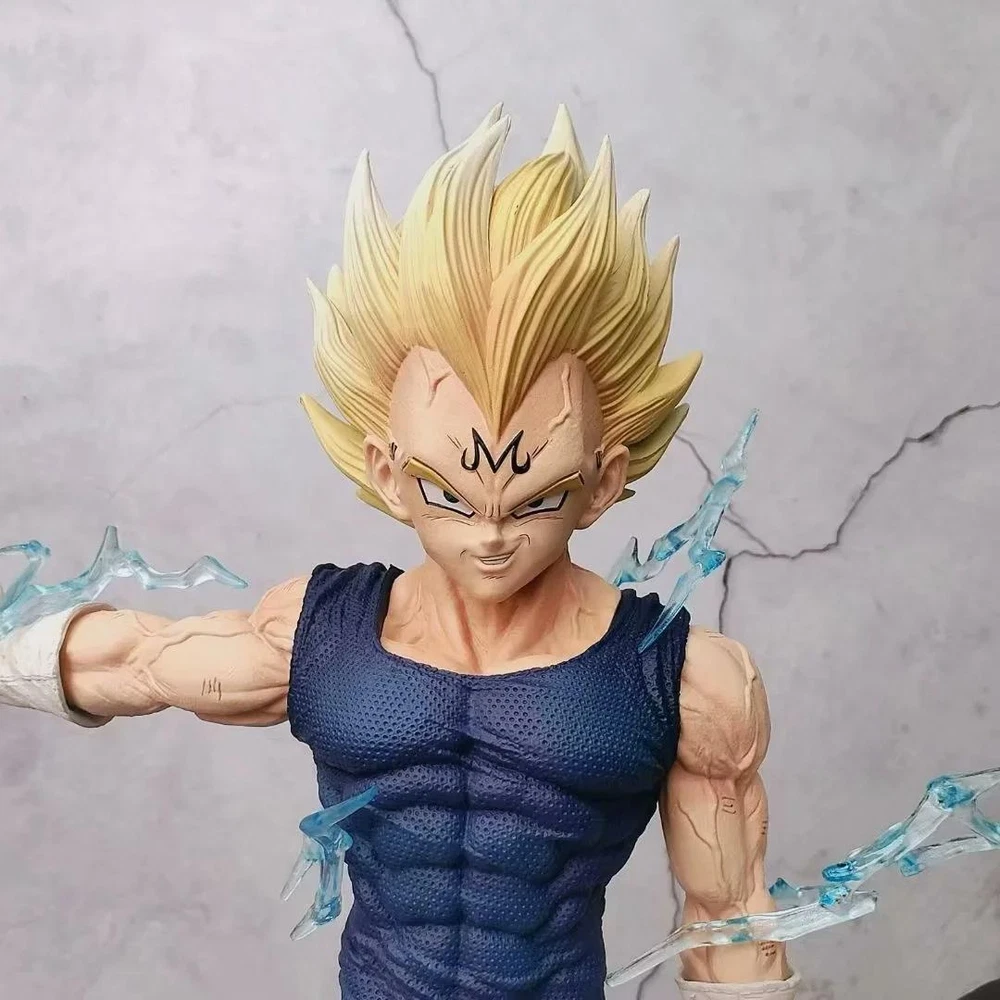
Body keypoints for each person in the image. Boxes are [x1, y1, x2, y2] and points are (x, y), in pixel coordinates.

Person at [0, 105, 799, 999]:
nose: (490, 536)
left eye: (535, 500)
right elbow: (130, 660)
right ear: (387, 472)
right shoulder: (319, 637)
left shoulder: (684, 682)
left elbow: (731, 918)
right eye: (449, 495)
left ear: (603, 482)